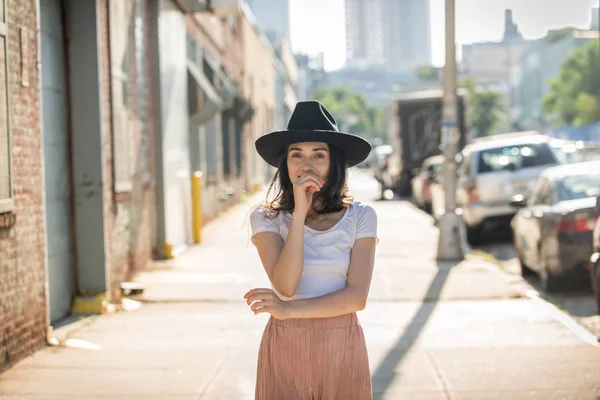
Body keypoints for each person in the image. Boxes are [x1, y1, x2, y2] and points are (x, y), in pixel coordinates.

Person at [244, 101, 379, 400]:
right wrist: (300, 213)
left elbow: (356, 298)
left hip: (342, 346)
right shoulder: (265, 217)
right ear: (285, 164)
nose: (307, 165)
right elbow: (286, 286)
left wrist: (287, 311)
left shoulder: (361, 216)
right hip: (285, 347)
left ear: (334, 163)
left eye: (319, 154)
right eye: (297, 155)